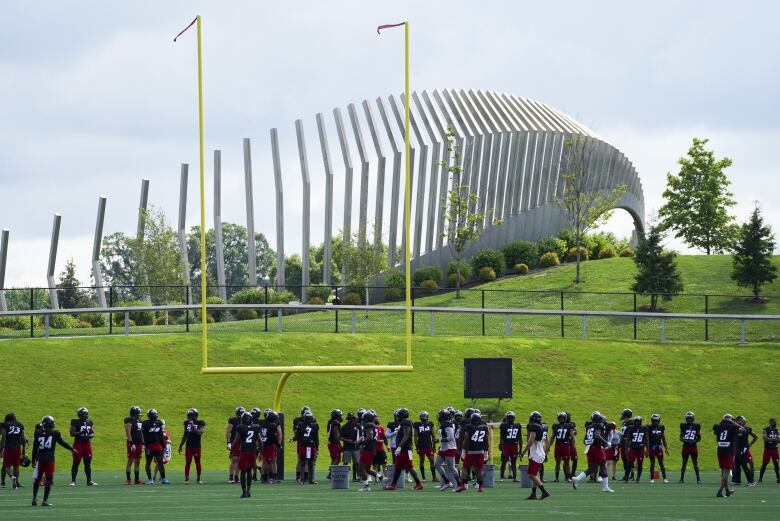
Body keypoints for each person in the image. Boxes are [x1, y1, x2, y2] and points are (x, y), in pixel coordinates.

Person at [30, 416, 76, 507]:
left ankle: (34, 498)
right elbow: (62, 443)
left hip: (40, 458)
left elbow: (34, 449)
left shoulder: (38, 433)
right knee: (49, 479)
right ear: (51, 424)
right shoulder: (55, 433)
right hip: (49, 459)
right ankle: (45, 500)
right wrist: (71, 449)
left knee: (37, 479)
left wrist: (33, 461)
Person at [572, 411, 614, 493]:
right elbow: (597, 435)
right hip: (596, 448)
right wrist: (606, 443)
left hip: (589, 448)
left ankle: (577, 479)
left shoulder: (589, 426)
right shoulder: (599, 425)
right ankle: (605, 487)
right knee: (603, 466)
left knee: (591, 468)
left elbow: (585, 439)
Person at [385, 408, 423, 490]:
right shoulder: (403, 423)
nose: (397, 417)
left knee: (409, 467)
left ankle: (419, 483)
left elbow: (406, 435)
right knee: (398, 466)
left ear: (401, 416)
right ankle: (393, 485)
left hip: (405, 448)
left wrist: (399, 447)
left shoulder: (406, 422)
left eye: (398, 416)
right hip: (402, 449)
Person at [713, 413, 745, 497]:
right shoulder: (733, 426)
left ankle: (727, 491)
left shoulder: (718, 426)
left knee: (723, 472)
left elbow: (716, 430)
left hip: (720, 450)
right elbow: (743, 430)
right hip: (729, 451)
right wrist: (734, 424)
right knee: (726, 473)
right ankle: (720, 491)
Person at [457, 411, 489, 493]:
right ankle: (480, 486)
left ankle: (463, 485)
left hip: (471, 451)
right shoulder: (484, 427)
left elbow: (466, 439)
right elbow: (486, 440)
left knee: (465, 468)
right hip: (481, 451)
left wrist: (464, 450)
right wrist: (486, 451)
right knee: (479, 469)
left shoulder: (469, 426)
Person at [232, 411, 261, 498]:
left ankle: (244, 491)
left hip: (244, 451)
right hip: (252, 452)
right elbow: (260, 441)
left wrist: (231, 450)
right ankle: (248, 491)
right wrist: (260, 451)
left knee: (243, 472)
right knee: (249, 471)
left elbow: (236, 440)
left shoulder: (240, 427)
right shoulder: (256, 427)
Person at [69, 407, 95, 487]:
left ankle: (89, 480)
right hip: (78, 444)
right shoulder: (75, 422)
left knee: (87, 463)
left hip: (87, 445)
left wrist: (90, 436)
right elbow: (72, 433)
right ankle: (73, 481)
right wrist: (81, 433)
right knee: (76, 462)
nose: (86, 415)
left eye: (86, 413)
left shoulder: (89, 422)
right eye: (84, 413)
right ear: (80, 414)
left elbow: (92, 432)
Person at [178, 408, 205, 484]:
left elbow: (200, 433)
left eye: (191, 415)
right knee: (188, 462)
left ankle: (198, 478)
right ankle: (186, 479)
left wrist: (193, 426)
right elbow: (185, 435)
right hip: (188, 446)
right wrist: (180, 446)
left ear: (195, 415)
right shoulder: (186, 423)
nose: (190, 417)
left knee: (197, 462)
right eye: (189, 415)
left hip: (197, 446)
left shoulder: (200, 422)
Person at [142, 408, 168, 485]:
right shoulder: (145, 423)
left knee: (160, 462)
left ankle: (162, 479)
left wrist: (163, 446)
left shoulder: (158, 423)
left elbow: (160, 435)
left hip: (157, 445)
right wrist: (146, 446)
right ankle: (151, 479)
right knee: (149, 462)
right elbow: (144, 436)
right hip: (150, 445)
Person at [434, 409, 459, 491]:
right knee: (437, 465)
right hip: (443, 448)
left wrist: (441, 440)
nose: (439, 417)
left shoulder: (448, 425)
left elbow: (451, 438)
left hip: (450, 448)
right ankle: (447, 482)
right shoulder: (444, 424)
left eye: (440, 415)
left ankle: (459, 484)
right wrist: (438, 440)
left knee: (451, 467)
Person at [357, 411, 382, 491]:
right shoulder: (374, 426)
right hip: (372, 449)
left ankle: (366, 486)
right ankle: (381, 478)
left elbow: (370, 436)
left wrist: (361, 442)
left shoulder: (368, 425)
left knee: (362, 469)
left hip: (368, 449)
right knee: (367, 469)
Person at [2, 412, 27, 490]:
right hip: (17, 448)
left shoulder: (4, 425)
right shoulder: (19, 425)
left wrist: (0, 448)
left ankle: (12, 477)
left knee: (7, 466)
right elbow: (23, 439)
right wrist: (23, 451)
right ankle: (17, 481)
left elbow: (3, 437)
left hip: (8, 447)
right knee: (16, 466)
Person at [732, 415, 757, 486]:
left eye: (739, 420)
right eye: (736, 420)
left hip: (743, 448)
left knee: (744, 464)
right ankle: (737, 481)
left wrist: (750, 444)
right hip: (737, 448)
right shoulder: (735, 428)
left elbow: (755, 437)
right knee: (736, 464)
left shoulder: (746, 428)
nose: (737, 422)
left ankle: (751, 481)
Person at [296, 410, 319, 484]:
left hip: (304, 446)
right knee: (310, 463)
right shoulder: (315, 425)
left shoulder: (300, 425)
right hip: (311, 446)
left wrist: (293, 439)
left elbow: (297, 436)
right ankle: (310, 480)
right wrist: (317, 447)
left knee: (303, 462)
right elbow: (316, 438)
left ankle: (302, 480)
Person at [679, 411, 702, 484]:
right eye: (688, 418)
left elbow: (699, 437)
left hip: (693, 447)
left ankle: (698, 479)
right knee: (684, 463)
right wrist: (686, 440)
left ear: (693, 418)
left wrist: (694, 441)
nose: (689, 420)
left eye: (690, 418)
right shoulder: (683, 425)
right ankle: (681, 478)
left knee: (695, 463)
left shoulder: (697, 426)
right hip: (686, 446)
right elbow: (681, 437)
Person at [414, 411, 437, 482]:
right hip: (421, 445)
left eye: (425, 416)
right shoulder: (417, 424)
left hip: (428, 445)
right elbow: (415, 437)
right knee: (422, 460)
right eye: (422, 416)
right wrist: (417, 447)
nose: (424, 418)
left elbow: (433, 436)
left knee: (432, 460)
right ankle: (423, 477)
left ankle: (434, 477)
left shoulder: (430, 424)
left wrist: (434, 446)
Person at [499, 411, 522, 482]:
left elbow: (520, 438)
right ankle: (502, 477)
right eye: (510, 418)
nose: (511, 419)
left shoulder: (517, 425)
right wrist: (501, 445)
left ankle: (513, 477)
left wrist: (520, 449)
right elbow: (502, 437)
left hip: (513, 445)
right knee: (504, 461)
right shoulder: (504, 425)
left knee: (513, 462)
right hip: (507, 445)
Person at [623, 416, 647, 483]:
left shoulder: (644, 428)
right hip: (633, 448)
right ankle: (626, 478)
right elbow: (627, 439)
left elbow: (646, 439)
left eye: (638, 421)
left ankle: (638, 478)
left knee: (640, 464)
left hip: (640, 449)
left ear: (640, 422)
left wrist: (647, 450)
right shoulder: (631, 428)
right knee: (629, 463)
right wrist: (626, 449)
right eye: (636, 421)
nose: (637, 423)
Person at [260, 410, 282, 484]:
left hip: (263, 443)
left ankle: (264, 477)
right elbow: (273, 436)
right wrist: (278, 444)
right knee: (271, 461)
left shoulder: (262, 423)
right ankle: (273, 477)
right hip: (269, 444)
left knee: (264, 461)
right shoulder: (272, 425)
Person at [124, 406, 144, 485]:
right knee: (130, 460)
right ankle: (128, 479)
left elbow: (141, 433)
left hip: (139, 443)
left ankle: (137, 479)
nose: (139, 415)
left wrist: (143, 443)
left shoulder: (139, 421)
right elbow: (128, 433)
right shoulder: (129, 420)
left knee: (138, 461)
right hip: (132, 443)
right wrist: (131, 443)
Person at [647, 414, 669, 483]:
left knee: (661, 462)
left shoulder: (661, 427)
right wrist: (647, 449)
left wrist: (666, 448)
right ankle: (652, 478)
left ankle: (664, 478)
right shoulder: (649, 427)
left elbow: (663, 438)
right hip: (652, 447)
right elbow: (647, 439)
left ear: (659, 421)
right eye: (654, 421)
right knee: (652, 463)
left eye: (656, 421)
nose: (655, 422)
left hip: (658, 447)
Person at [292, 406, 311, 482]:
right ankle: (299, 476)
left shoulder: (310, 421)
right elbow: (295, 432)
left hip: (309, 443)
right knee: (300, 459)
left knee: (306, 459)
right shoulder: (298, 421)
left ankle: (305, 476)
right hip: (302, 442)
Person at [552, 412, 573, 482]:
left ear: (565, 418)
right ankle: (556, 478)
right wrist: (548, 446)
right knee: (557, 462)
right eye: (560, 418)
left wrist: (572, 446)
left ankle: (568, 477)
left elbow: (572, 436)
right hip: (558, 445)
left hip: (566, 445)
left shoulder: (569, 425)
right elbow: (552, 437)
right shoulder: (555, 426)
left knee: (567, 462)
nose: (561, 419)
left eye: (562, 418)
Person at [226, 406, 245, 484]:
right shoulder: (233, 420)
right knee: (234, 459)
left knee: (239, 460)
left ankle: (236, 477)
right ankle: (231, 477)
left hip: (242, 443)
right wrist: (228, 442)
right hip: (235, 442)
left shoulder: (245, 421)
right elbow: (228, 431)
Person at [340, 412, 360, 481]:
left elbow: (361, 436)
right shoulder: (344, 427)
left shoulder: (358, 426)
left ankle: (356, 476)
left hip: (356, 447)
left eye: (352, 418)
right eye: (350, 418)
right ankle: (343, 476)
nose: (351, 420)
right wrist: (348, 440)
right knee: (345, 462)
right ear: (348, 419)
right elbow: (340, 437)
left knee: (357, 462)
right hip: (347, 447)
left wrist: (358, 441)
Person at [759, 418, 779, 483]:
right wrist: (775, 439)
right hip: (768, 449)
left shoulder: (777, 430)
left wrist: (770, 439)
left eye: (775, 422)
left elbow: (779, 440)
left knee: (776, 464)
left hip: (775, 449)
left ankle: (778, 478)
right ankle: (760, 478)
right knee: (764, 464)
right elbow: (765, 439)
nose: (775, 423)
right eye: (773, 422)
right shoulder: (765, 429)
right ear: (770, 422)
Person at [326, 409, 342, 480]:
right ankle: (330, 473)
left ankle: (331, 472)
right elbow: (336, 435)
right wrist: (340, 443)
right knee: (337, 459)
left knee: (334, 458)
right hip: (334, 443)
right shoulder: (336, 422)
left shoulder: (330, 421)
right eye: (340, 415)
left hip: (330, 442)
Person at [372, 412, 388, 480]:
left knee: (384, 464)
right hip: (374, 449)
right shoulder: (371, 427)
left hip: (381, 449)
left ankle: (386, 478)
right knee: (375, 465)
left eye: (376, 417)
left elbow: (384, 437)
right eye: (375, 417)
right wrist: (378, 441)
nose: (376, 418)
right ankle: (376, 479)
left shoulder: (381, 427)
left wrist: (387, 445)